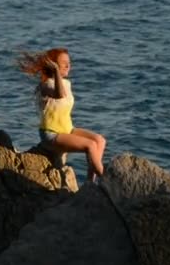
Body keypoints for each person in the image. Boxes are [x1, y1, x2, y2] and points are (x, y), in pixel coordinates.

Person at [17, 47, 106, 182]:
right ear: (53, 65)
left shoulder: (66, 83)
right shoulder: (46, 85)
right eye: (63, 62)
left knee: (99, 140)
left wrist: (58, 73)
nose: (68, 65)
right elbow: (59, 94)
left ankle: (90, 182)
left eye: (69, 62)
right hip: (51, 134)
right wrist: (57, 72)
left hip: (67, 130)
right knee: (90, 146)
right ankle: (105, 179)